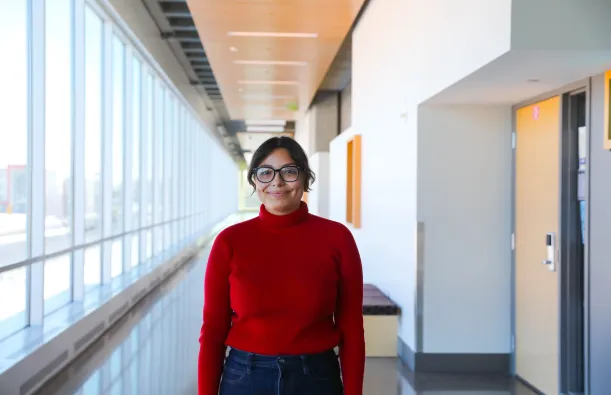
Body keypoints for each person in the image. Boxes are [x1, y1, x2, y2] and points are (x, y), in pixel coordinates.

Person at [198, 136, 365, 395]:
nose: (276, 181)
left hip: (317, 378)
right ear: (254, 180)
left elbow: (352, 327)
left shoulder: (337, 238)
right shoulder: (229, 242)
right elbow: (213, 330)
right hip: (245, 378)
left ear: (305, 178)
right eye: (265, 172)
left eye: (289, 171)